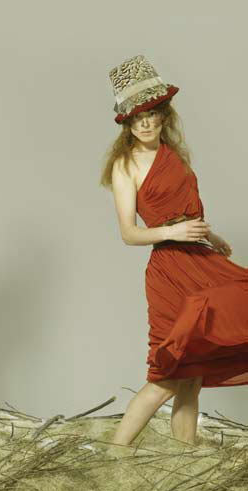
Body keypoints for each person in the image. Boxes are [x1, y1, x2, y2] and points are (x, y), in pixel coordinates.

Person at [102, 56, 248, 446]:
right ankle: (113, 452)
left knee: (191, 377)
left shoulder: (173, 155)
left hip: (200, 258)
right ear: (127, 124)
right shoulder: (124, 165)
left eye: (151, 114)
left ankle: (183, 456)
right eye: (137, 118)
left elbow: (186, 214)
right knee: (168, 375)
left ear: (163, 114)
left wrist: (209, 235)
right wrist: (175, 231)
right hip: (169, 269)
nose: (145, 124)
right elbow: (129, 234)